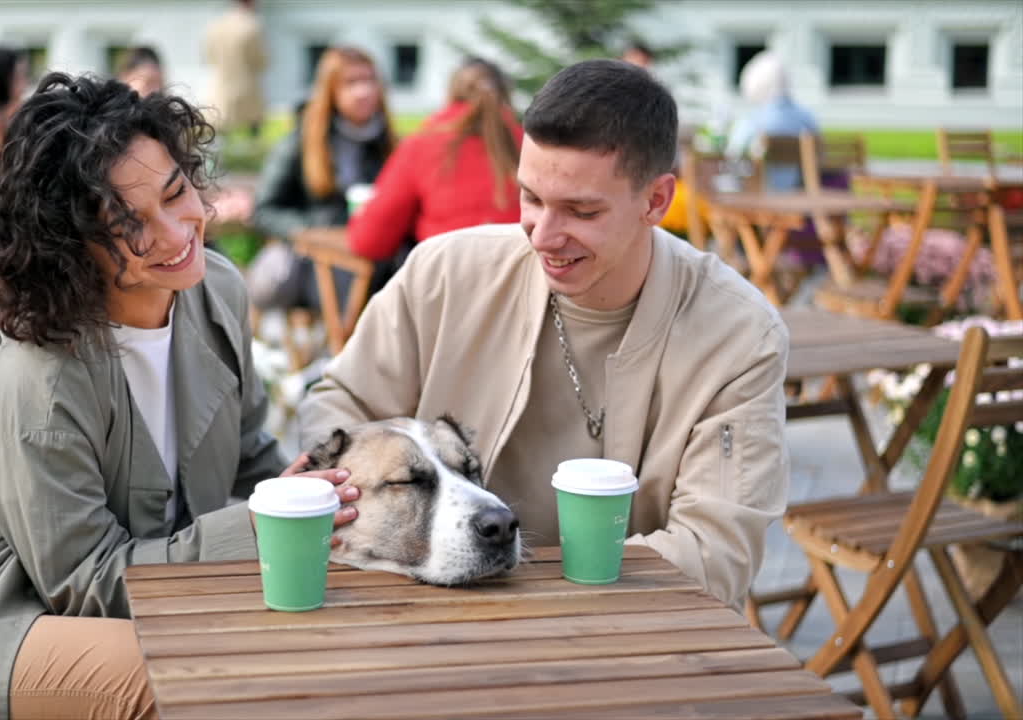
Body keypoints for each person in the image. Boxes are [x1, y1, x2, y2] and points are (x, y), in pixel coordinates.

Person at [0, 73, 359, 720]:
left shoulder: (216, 290)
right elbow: (85, 582)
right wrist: (250, 530)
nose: (175, 234)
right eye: (129, 225)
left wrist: (307, 505)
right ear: (70, 246)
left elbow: (248, 454)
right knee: (177, 681)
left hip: (135, 595)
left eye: (176, 192)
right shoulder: (34, 375)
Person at [298, 59, 789, 611]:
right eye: (531, 198)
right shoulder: (445, 272)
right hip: (435, 610)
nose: (544, 236)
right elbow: (340, 407)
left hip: (630, 627)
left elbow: (717, 555)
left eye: (581, 211)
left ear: (656, 201)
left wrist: (535, 594)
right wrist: (344, 503)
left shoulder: (739, 334)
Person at [248, 46, 396, 310]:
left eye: (370, 80)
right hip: (317, 259)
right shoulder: (302, 141)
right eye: (352, 82)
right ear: (331, 90)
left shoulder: (388, 144)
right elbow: (264, 211)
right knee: (344, 277)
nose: (364, 91)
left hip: (375, 256)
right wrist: (316, 229)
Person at [346, 57, 523, 263]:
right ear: (507, 94)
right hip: (523, 275)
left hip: (449, 273)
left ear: (451, 93)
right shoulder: (532, 145)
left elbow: (369, 241)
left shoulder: (423, 144)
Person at [725, 50, 819, 190]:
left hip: (759, 192)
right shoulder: (806, 116)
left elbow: (733, 153)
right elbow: (819, 152)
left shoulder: (753, 119)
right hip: (798, 190)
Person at [203, 0, 268, 138]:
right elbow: (260, 62)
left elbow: (209, 57)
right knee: (252, 138)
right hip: (246, 91)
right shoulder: (252, 27)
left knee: (219, 137)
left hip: (219, 90)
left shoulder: (216, 26)